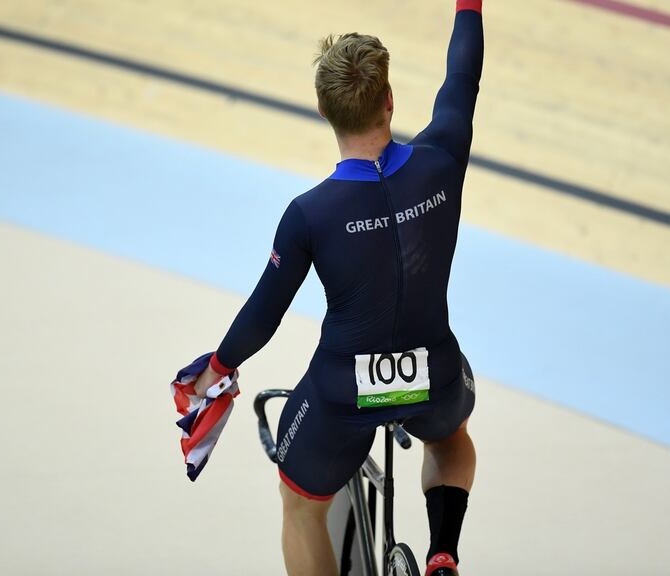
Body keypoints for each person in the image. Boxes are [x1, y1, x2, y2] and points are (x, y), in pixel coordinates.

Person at [193, 1, 483, 573]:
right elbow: (463, 74)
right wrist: (468, 4)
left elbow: (264, 313)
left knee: (299, 503)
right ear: (390, 101)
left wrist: (217, 367)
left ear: (325, 112)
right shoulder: (442, 158)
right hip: (435, 373)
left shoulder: (309, 215)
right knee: (450, 438)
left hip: (343, 393)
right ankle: (443, 552)